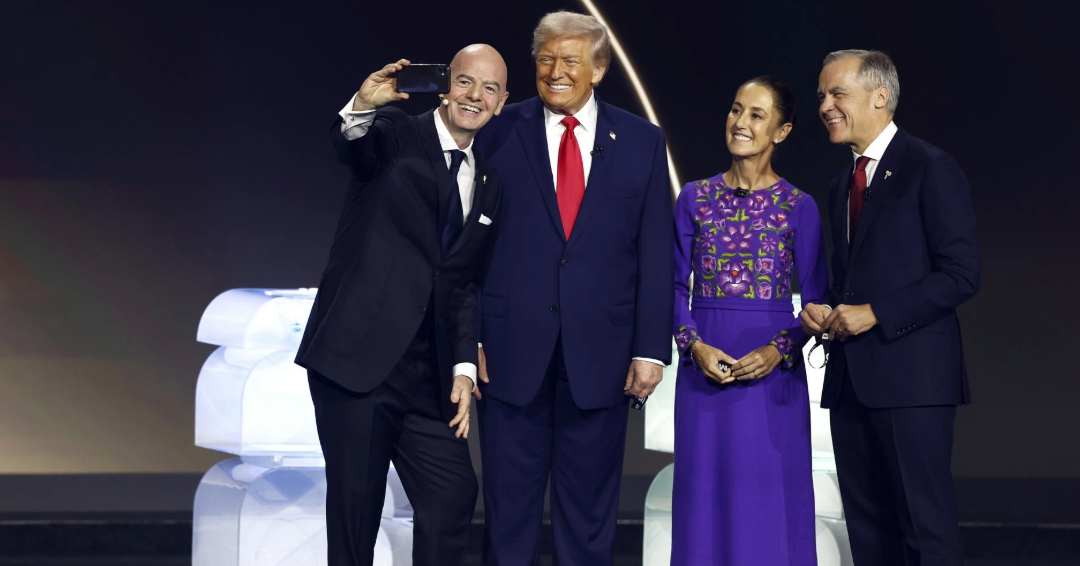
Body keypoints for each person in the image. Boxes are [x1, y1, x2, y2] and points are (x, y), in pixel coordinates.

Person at [293, 45, 509, 566]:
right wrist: (363, 107)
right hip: (357, 360)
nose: (474, 96)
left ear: (502, 103)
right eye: (464, 82)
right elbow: (353, 148)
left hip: (428, 375)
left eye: (489, 89)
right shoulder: (393, 133)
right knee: (355, 517)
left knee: (453, 494)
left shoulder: (489, 183)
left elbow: (462, 283)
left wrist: (461, 366)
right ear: (446, 85)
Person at [472, 11, 674, 565]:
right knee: (508, 516)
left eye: (570, 61)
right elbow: (465, 249)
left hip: (603, 357)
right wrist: (470, 342)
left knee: (588, 519)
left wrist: (650, 348)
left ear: (600, 68)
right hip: (508, 350)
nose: (556, 71)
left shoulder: (640, 142)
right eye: (545, 59)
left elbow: (657, 254)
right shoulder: (496, 132)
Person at [800, 50, 980, 565]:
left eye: (837, 94)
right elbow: (851, 282)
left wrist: (876, 312)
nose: (826, 106)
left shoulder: (931, 167)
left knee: (924, 530)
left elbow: (962, 274)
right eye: (821, 97)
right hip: (851, 380)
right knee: (868, 532)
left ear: (881, 97)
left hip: (913, 382)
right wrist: (824, 310)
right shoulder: (841, 185)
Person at [671, 76, 827, 565]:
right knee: (703, 504)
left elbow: (817, 307)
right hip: (704, 369)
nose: (740, 122)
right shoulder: (693, 198)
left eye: (756, 115)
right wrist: (693, 346)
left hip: (771, 377)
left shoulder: (800, 207)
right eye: (736, 109)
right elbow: (672, 287)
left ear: (781, 131)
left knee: (770, 505)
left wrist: (777, 350)